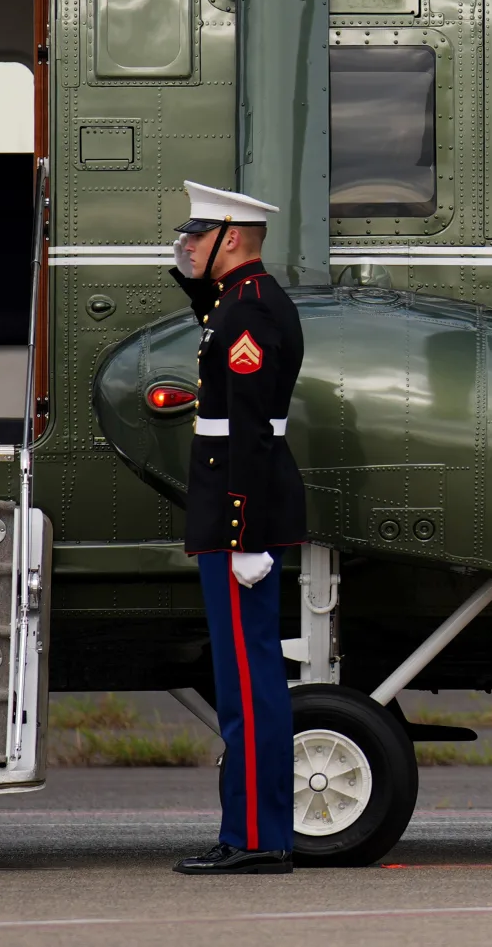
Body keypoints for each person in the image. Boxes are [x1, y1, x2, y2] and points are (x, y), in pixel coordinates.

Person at [167, 181, 307, 875]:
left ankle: (255, 836)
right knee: (242, 685)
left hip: (236, 519)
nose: (186, 245)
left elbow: (250, 433)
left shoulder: (248, 314)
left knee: (249, 688)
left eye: (198, 235)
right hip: (232, 516)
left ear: (233, 238)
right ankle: (250, 828)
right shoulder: (237, 304)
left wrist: (245, 534)